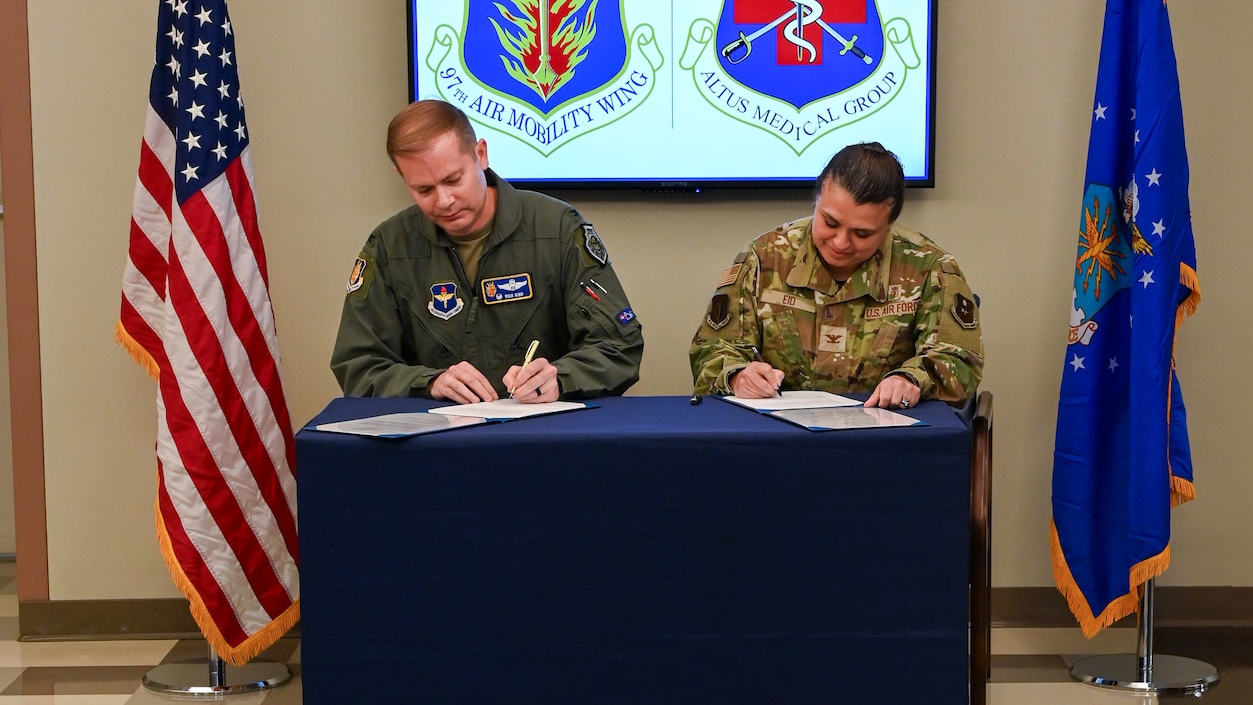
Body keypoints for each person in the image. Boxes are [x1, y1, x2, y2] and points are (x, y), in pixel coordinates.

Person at [332, 100, 643, 403]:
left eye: (453, 180)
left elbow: (618, 346)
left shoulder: (557, 229)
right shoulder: (389, 246)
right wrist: (428, 383)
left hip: (545, 435)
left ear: (480, 154)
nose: (443, 201)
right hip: (435, 442)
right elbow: (358, 366)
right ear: (403, 178)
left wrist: (560, 378)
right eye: (424, 190)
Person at [688, 141, 983, 407]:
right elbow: (712, 350)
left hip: (886, 440)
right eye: (830, 222)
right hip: (779, 439)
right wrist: (738, 375)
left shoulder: (929, 267)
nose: (841, 242)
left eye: (862, 233)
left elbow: (959, 359)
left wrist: (911, 379)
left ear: (890, 224)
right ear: (816, 201)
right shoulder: (765, 258)